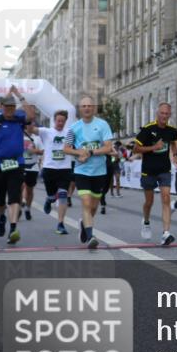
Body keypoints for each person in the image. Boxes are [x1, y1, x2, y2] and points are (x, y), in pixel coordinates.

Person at [0, 88, 36, 244]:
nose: (9, 110)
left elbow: (31, 115)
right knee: (0, 198)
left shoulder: (19, 119)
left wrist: (19, 96)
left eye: (12, 107)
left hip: (16, 164)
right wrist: (4, 97)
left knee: (14, 196)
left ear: (15, 108)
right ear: (2, 107)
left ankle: (13, 228)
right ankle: (2, 217)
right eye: (7, 107)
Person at [63, 95, 113, 250]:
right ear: (80, 109)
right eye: (84, 106)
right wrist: (79, 153)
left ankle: (84, 224)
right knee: (86, 202)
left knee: (93, 207)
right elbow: (66, 148)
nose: (87, 108)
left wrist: (90, 152)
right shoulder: (73, 128)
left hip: (99, 171)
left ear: (94, 108)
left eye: (89, 106)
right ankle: (91, 236)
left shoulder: (103, 124)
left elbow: (107, 147)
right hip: (81, 170)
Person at [134, 102, 177, 246]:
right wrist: (154, 147)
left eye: (167, 114)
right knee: (149, 202)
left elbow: (173, 143)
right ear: (157, 114)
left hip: (165, 170)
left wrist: (176, 155)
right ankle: (146, 222)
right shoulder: (148, 129)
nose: (164, 116)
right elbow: (136, 149)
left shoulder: (172, 130)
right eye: (162, 113)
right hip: (149, 171)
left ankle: (166, 233)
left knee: (166, 199)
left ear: (169, 115)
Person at [39, 109, 74, 234]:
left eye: (62, 121)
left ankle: (60, 223)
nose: (60, 123)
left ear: (65, 121)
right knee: (53, 196)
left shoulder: (69, 133)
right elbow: (30, 129)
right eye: (58, 121)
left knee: (63, 195)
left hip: (65, 168)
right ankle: (49, 199)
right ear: (54, 120)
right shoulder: (46, 132)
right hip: (50, 168)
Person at [20, 124, 43, 221]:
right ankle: (18, 208)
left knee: (30, 190)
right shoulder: (18, 137)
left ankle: (28, 209)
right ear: (25, 126)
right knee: (20, 187)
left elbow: (42, 151)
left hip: (33, 166)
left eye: (33, 125)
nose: (32, 126)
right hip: (20, 165)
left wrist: (32, 150)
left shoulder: (37, 138)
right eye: (29, 124)